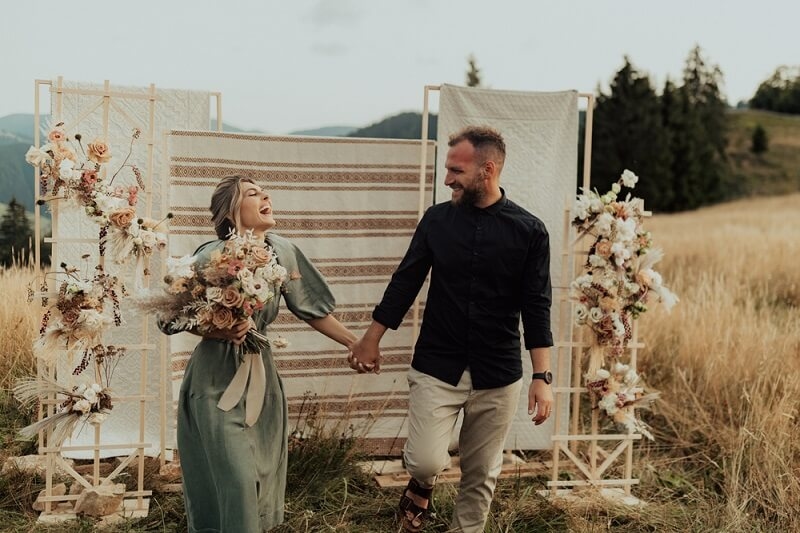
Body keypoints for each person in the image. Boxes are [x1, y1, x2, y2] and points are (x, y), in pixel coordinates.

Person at [349, 126, 554, 533]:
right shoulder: (436, 220)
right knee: (426, 458)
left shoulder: (530, 231)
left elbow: (536, 307)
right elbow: (405, 281)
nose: (447, 179)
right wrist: (371, 338)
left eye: (456, 171)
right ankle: (421, 484)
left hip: (498, 373)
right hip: (436, 365)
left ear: (487, 170)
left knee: (481, 474)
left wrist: (542, 377)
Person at [159, 175, 357, 533]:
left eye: (265, 191)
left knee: (256, 479)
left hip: (261, 381)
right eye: (252, 193)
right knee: (234, 478)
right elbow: (170, 316)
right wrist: (217, 327)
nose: (265, 196)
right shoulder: (210, 255)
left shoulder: (282, 250)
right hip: (214, 382)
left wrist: (354, 343)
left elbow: (312, 308)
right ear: (232, 212)